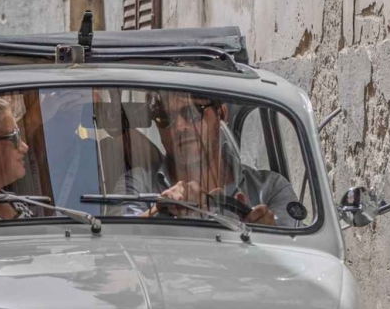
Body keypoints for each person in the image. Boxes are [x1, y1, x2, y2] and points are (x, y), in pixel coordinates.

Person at [119, 91, 298, 226]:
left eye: (191, 113)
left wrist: (269, 233)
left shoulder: (270, 189)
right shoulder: (138, 185)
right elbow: (119, 241)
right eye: (164, 118)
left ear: (221, 113)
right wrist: (161, 209)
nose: (179, 127)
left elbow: (300, 257)